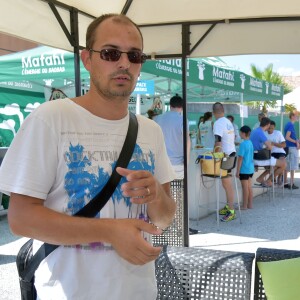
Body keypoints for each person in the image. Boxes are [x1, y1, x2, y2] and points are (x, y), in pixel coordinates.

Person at [0, 14, 177, 300]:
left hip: (140, 291)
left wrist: (156, 195)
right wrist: (109, 232)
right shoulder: (50, 119)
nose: (123, 63)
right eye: (110, 53)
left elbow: (166, 219)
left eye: (134, 55)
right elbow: (20, 218)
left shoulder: (151, 130)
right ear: (87, 59)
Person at [155, 94, 191, 180]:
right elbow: (187, 141)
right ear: (182, 107)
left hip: (160, 162)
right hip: (177, 163)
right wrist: (187, 160)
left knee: (162, 190)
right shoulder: (183, 119)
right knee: (177, 191)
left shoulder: (157, 118)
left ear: (170, 105)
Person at [212, 102, 236, 222]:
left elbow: (218, 141)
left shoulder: (218, 123)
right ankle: (228, 206)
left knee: (227, 184)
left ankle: (231, 211)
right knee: (226, 184)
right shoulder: (227, 121)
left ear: (213, 112)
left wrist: (214, 154)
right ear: (223, 110)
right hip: (231, 153)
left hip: (225, 156)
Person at [250, 117, 286, 187]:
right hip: (260, 157)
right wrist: (269, 146)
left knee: (275, 166)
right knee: (283, 164)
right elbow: (269, 147)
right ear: (267, 124)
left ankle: (260, 178)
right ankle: (268, 180)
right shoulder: (260, 133)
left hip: (255, 156)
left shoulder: (255, 131)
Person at [236, 126, 254, 209]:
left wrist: (237, 171)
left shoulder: (243, 144)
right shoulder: (250, 142)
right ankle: (250, 205)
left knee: (245, 188)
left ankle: (244, 206)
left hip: (244, 169)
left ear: (243, 133)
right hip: (250, 168)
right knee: (249, 187)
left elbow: (240, 158)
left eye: (240, 132)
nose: (239, 134)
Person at [266, 120, 286, 185]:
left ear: (274, 127)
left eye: (272, 128)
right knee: (275, 165)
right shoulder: (264, 134)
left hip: (280, 152)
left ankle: (278, 177)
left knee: (282, 162)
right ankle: (272, 178)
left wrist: (274, 144)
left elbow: (284, 145)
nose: (270, 130)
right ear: (267, 126)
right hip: (270, 153)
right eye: (269, 128)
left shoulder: (278, 133)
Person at [284, 111, 300, 189]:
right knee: (293, 166)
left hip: (289, 147)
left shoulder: (289, 124)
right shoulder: (290, 125)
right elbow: (287, 137)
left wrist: (297, 140)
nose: (298, 117)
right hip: (292, 148)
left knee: (287, 166)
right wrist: (296, 142)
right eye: (297, 116)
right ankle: (291, 184)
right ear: (292, 116)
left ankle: (286, 183)